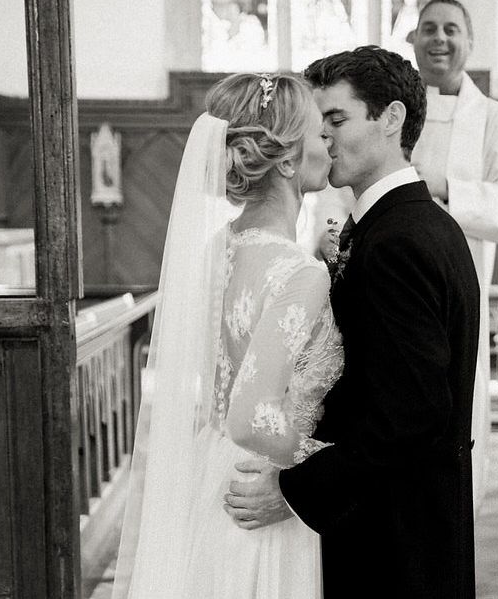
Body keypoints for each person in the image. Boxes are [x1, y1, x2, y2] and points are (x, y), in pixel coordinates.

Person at [224, 46, 480, 599]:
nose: (324, 140)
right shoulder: (401, 226)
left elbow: (412, 412)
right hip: (387, 521)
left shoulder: (400, 241)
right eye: (319, 125)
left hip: (396, 542)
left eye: (336, 120)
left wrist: (297, 490)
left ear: (391, 119)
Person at [112, 72, 343, 598]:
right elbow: (249, 415)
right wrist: (326, 465)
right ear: (285, 159)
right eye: (317, 130)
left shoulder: (219, 246)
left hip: (212, 472)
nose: (327, 141)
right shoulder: (299, 273)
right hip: (263, 491)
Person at [410, 0, 498, 510]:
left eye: (450, 29)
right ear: (413, 40)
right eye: (428, 28)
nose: (439, 38)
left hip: (456, 291)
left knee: (453, 403)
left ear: (469, 42)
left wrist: (448, 188)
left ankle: (451, 512)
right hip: (394, 282)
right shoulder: (393, 111)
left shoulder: (494, 120)